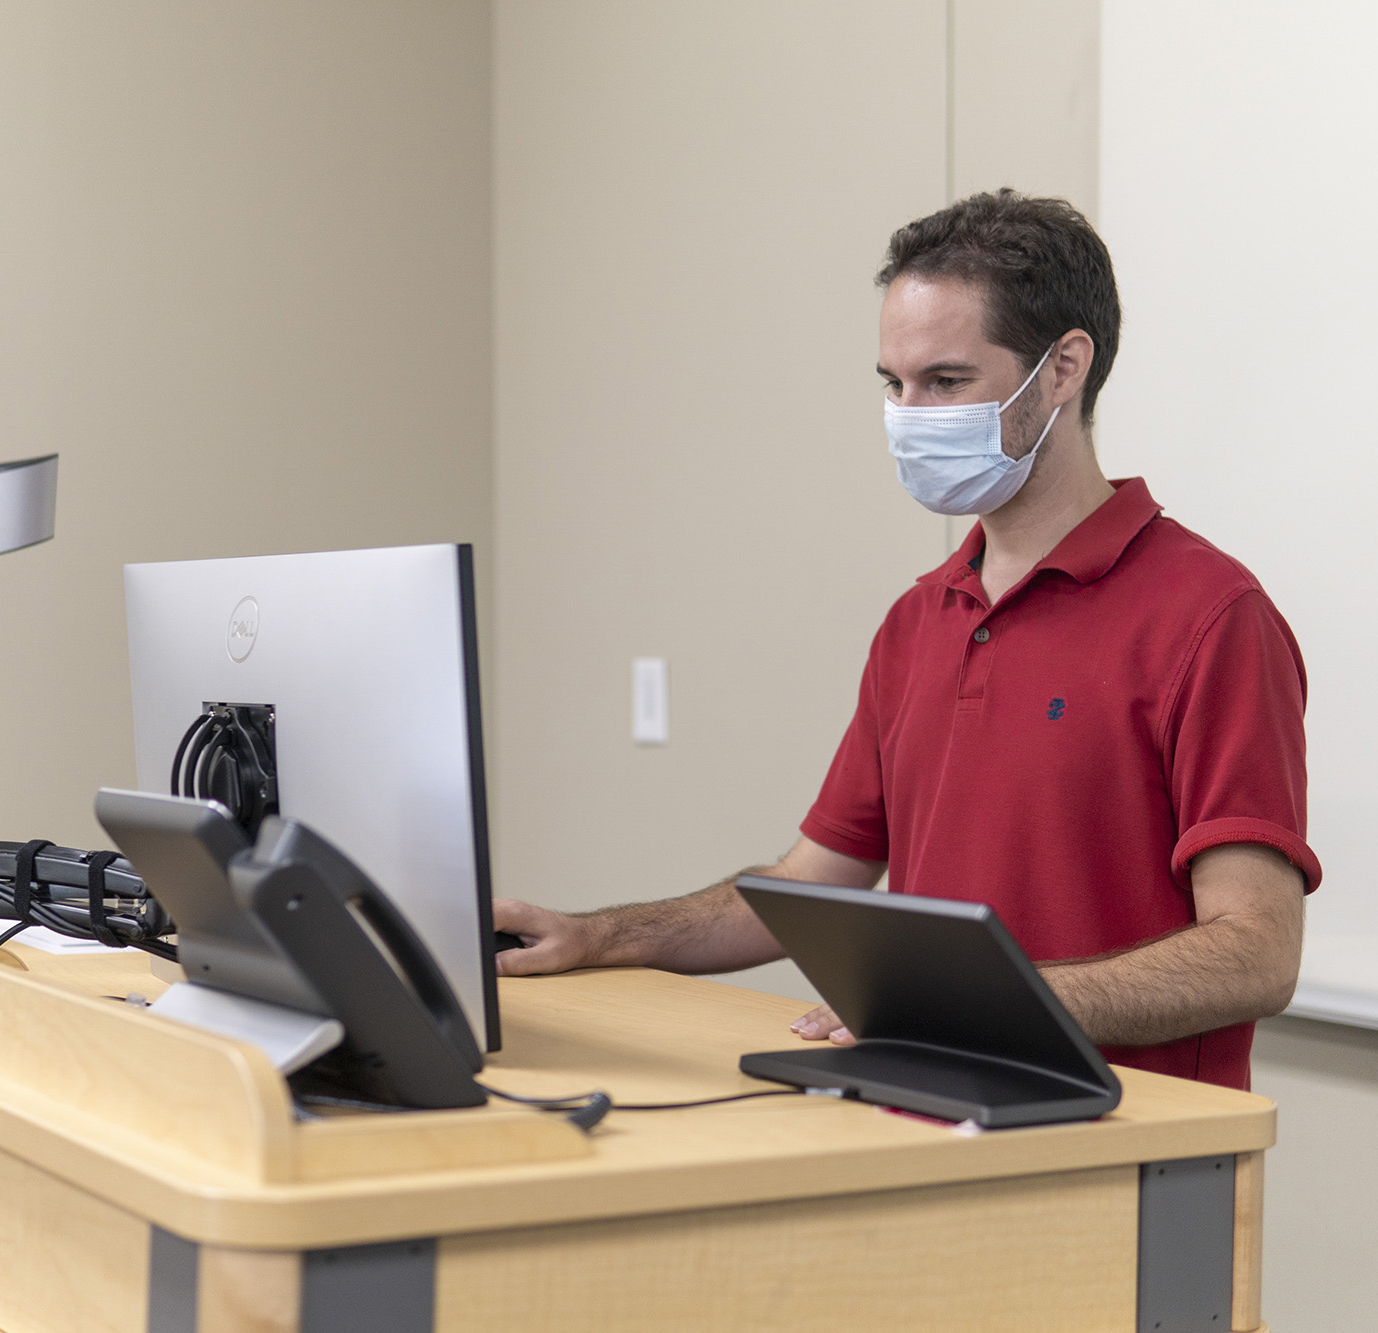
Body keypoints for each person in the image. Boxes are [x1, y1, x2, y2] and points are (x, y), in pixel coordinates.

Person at [494, 190, 1319, 1090]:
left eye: (948, 382)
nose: (911, 413)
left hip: (1121, 1153)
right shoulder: (919, 619)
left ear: (1064, 368)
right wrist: (599, 937)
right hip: (916, 1126)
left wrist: (979, 1003)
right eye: (894, 384)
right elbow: (811, 883)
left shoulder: (1210, 616)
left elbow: (1256, 953)